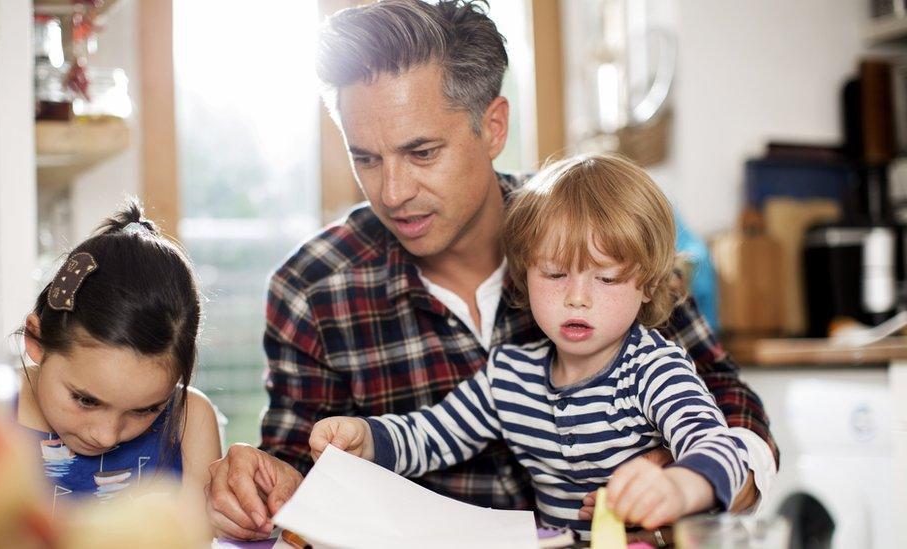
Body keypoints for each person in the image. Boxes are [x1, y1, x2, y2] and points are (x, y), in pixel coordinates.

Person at [205, 0, 778, 540]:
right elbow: (308, 468)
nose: (394, 192)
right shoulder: (310, 288)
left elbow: (730, 407)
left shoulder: (598, 235)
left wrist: (684, 481)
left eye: (422, 152)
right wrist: (266, 486)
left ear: (494, 126)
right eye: (366, 158)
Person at [308, 154, 750, 535]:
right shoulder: (509, 376)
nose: (578, 296)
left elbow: (719, 446)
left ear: (649, 285)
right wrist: (365, 439)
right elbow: (432, 436)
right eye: (555, 274)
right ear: (523, 277)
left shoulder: (655, 369)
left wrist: (678, 485)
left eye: (607, 277)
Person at [16, 199, 221, 509]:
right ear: (36, 340)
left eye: (146, 410)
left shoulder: (191, 423)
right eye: (86, 400)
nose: (106, 436)